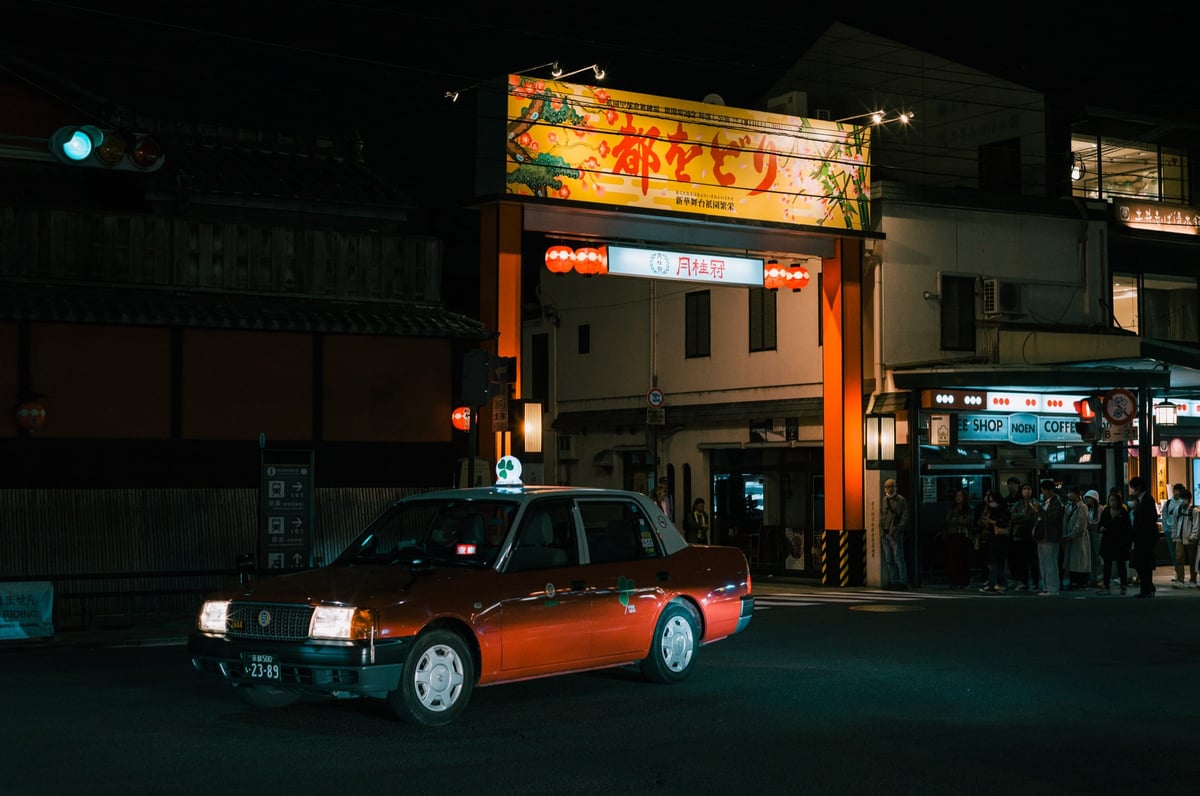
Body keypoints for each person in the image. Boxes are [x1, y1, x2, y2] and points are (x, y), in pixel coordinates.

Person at [1127, 476, 1159, 598]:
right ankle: (1147, 587)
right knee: (1141, 564)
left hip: (1146, 538)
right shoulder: (1141, 500)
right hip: (1142, 537)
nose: (1131, 490)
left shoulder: (1147, 499)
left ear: (1138, 488)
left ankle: (1147, 589)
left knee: (1143, 564)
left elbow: (1150, 518)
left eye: (1133, 487)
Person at [1096, 490, 1132, 595]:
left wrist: (1127, 543)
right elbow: (1100, 525)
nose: (1112, 502)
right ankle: (1106, 585)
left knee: (1121, 565)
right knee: (1107, 565)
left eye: (1114, 500)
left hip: (1120, 542)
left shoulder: (1123, 512)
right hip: (1107, 541)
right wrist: (1101, 529)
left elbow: (1127, 529)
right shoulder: (1106, 511)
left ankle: (1123, 585)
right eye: (1110, 500)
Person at [977, 490, 1011, 593]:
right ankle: (997, 584)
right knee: (995, 563)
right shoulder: (993, 510)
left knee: (996, 563)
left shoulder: (1004, 510)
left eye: (992, 500)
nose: (991, 503)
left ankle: (997, 584)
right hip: (993, 538)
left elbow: (1003, 523)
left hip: (1000, 539)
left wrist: (991, 521)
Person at [1035, 478, 1064, 596]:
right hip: (1043, 536)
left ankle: (1052, 588)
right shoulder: (1046, 503)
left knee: (1051, 563)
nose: (1043, 493)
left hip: (1051, 537)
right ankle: (1046, 586)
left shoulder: (1056, 503)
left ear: (1049, 490)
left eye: (1044, 491)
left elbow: (1052, 519)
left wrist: (1039, 510)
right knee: (1044, 563)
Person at [880, 478, 909, 590]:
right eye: (887, 486)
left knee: (898, 558)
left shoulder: (901, 500)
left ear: (895, 487)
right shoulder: (884, 500)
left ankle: (903, 581)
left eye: (892, 486)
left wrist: (898, 529)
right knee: (889, 559)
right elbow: (882, 516)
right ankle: (894, 580)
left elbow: (904, 517)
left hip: (895, 533)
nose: (890, 489)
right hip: (886, 534)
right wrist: (882, 530)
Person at [1008, 482, 1038, 591]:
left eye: (1029, 489)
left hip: (1032, 535)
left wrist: (1020, 517)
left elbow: (1032, 518)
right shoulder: (1018, 504)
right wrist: (1022, 516)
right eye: (1025, 489)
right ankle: (1024, 582)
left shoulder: (1035, 503)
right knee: (1021, 561)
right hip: (1019, 536)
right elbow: (1011, 516)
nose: (1027, 491)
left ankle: (1035, 582)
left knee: (1033, 561)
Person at [1061, 485, 1092, 590]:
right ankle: (1073, 581)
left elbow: (1081, 524)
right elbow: (1065, 521)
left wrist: (1071, 535)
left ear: (1078, 494)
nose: (1070, 495)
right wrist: (1066, 535)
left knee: (1080, 560)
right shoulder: (1068, 506)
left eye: (1072, 492)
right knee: (1072, 561)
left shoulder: (1083, 507)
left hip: (1079, 538)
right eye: (1069, 492)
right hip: (1070, 537)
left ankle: (1081, 582)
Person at [943, 487, 973, 589]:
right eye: (957, 496)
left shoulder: (969, 508)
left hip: (964, 536)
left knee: (964, 560)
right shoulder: (952, 508)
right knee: (954, 560)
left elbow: (968, 521)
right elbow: (948, 520)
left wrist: (955, 519)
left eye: (960, 496)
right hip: (954, 535)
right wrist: (960, 519)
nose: (958, 497)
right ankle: (955, 581)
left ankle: (964, 581)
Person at [1162, 483, 1190, 586]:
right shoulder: (1169, 503)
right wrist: (1165, 529)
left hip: (1181, 531)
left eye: (1178, 490)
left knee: (1180, 554)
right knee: (1173, 553)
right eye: (1175, 490)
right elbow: (1164, 516)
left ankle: (1180, 575)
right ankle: (1178, 574)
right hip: (1170, 531)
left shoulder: (1182, 503)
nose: (1176, 492)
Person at [1169, 486, 1197, 588]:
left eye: (1184, 498)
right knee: (1179, 559)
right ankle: (1180, 579)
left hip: (1190, 539)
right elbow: (1174, 524)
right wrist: (1174, 536)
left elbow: (1196, 525)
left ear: (1189, 499)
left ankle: (1193, 580)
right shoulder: (1178, 509)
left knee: (1192, 560)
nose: (1183, 500)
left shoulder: (1194, 511)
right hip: (1180, 538)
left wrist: (1193, 536)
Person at [1083, 489, 1104, 587]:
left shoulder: (1100, 508)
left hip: (1096, 533)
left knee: (1097, 556)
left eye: (1089, 498)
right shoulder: (1088, 509)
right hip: (1089, 533)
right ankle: (1092, 578)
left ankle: (1099, 578)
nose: (1087, 500)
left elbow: (1098, 522)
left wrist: (1090, 525)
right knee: (1091, 556)